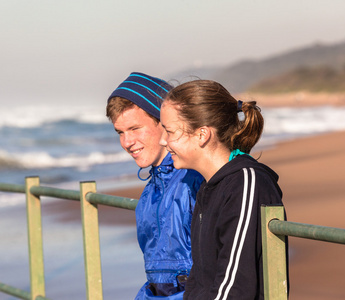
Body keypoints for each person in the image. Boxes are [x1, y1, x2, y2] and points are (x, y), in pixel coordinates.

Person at [159, 80, 288, 299]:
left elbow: (235, 285)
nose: (163, 141)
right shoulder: (209, 186)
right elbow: (200, 279)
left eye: (169, 131)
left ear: (202, 134)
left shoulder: (246, 183)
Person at [106, 72, 204, 299]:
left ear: (165, 121)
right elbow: (157, 279)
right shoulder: (148, 195)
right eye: (120, 132)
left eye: (135, 129)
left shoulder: (196, 178)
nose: (127, 142)